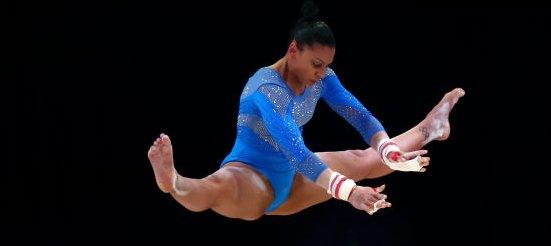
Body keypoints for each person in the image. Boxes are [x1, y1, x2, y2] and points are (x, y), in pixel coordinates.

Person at [147, 2, 464, 220]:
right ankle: (174, 181)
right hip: (252, 175)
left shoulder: (321, 77)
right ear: (293, 50)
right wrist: (349, 191)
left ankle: (430, 128)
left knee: (361, 159)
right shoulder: (265, 87)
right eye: (316, 64)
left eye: (327, 66)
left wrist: (388, 150)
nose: (322, 72)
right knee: (215, 188)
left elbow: (358, 115)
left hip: (296, 177)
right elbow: (295, 150)